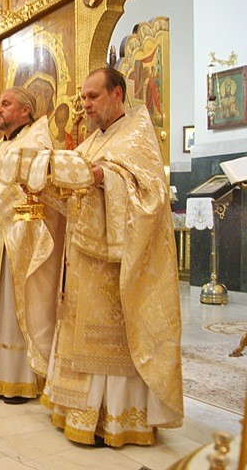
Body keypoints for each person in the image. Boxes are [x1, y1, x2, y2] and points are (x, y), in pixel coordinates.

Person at [42, 67, 183, 447]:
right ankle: (77, 410)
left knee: (109, 342)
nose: (85, 105)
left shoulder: (137, 134)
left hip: (115, 266)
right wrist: (46, 184)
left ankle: (117, 419)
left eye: (93, 96)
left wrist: (106, 178)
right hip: (82, 261)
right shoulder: (91, 142)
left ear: (117, 93)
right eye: (83, 98)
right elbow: (72, 198)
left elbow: (151, 195)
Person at [0, 87, 63, 403]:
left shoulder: (36, 142)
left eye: (6, 104)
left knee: (12, 308)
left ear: (25, 110)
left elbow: (37, 192)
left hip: (17, 240)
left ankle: (18, 378)